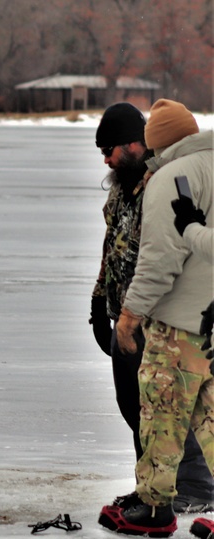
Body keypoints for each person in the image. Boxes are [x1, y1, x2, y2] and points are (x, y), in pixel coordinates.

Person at [89, 102, 214, 516]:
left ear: (135, 144)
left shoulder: (166, 181)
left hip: (158, 315)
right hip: (127, 310)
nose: (106, 159)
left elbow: (164, 257)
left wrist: (136, 314)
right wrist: (99, 301)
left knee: (171, 406)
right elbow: (114, 247)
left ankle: (191, 487)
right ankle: (150, 488)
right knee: (138, 406)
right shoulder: (121, 191)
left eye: (110, 149)